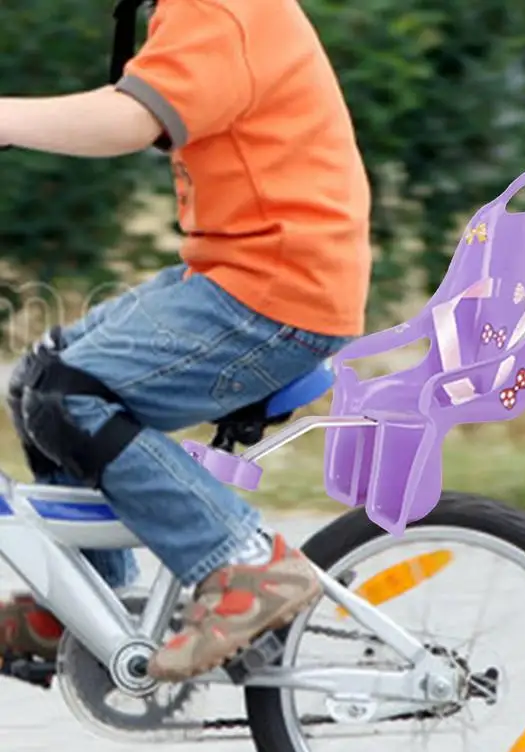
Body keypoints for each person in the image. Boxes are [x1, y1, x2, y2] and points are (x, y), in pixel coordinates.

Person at [0, 0, 371, 681]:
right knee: (36, 380)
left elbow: (129, 118)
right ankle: (94, 598)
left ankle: (246, 561)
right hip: (238, 278)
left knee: (68, 395)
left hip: (274, 293)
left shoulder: (221, 7)